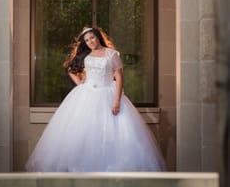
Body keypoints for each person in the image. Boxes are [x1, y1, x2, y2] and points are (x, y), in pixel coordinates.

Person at [25, 26, 166, 172]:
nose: (90, 41)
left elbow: (119, 77)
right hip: (86, 96)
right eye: (86, 40)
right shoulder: (86, 56)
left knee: (111, 133)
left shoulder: (112, 54)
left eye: (92, 38)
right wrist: (81, 84)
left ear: (98, 37)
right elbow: (70, 69)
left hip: (108, 94)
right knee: (83, 132)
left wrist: (117, 101)